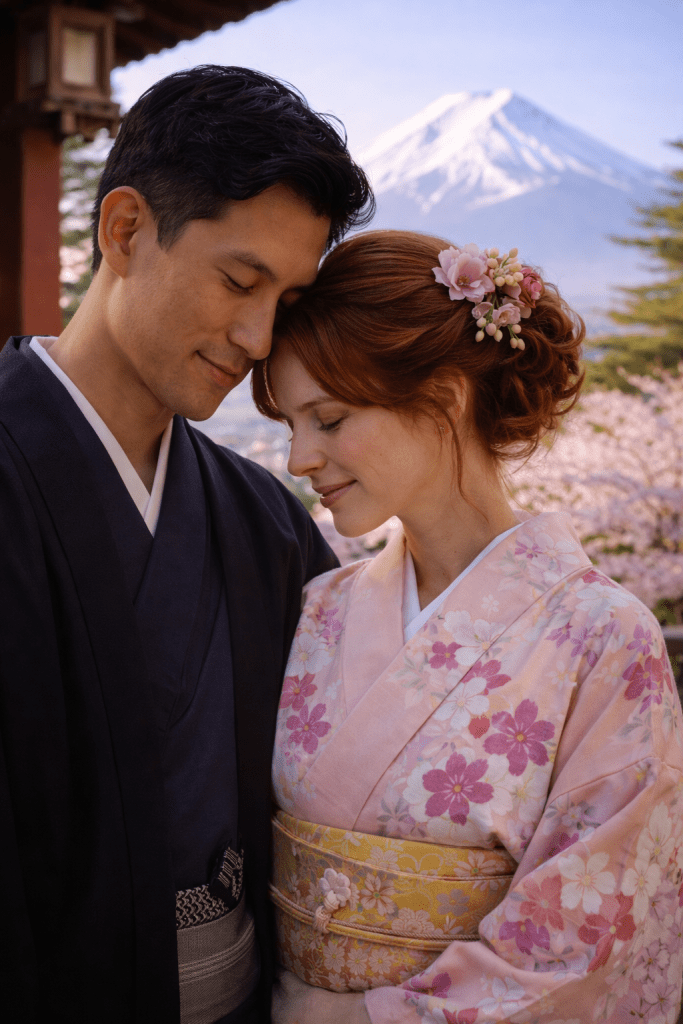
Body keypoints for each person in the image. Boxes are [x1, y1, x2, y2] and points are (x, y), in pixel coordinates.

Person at [0, 66, 372, 1023]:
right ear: (124, 230)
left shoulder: (264, 519)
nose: (257, 336)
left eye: (285, 302)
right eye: (239, 280)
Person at [254, 231, 683, 1023]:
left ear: (445, 397)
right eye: (289, 425)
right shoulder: (321, 607)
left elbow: (588, 947)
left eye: (329, 417)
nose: (299, 457)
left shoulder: (604, 638)